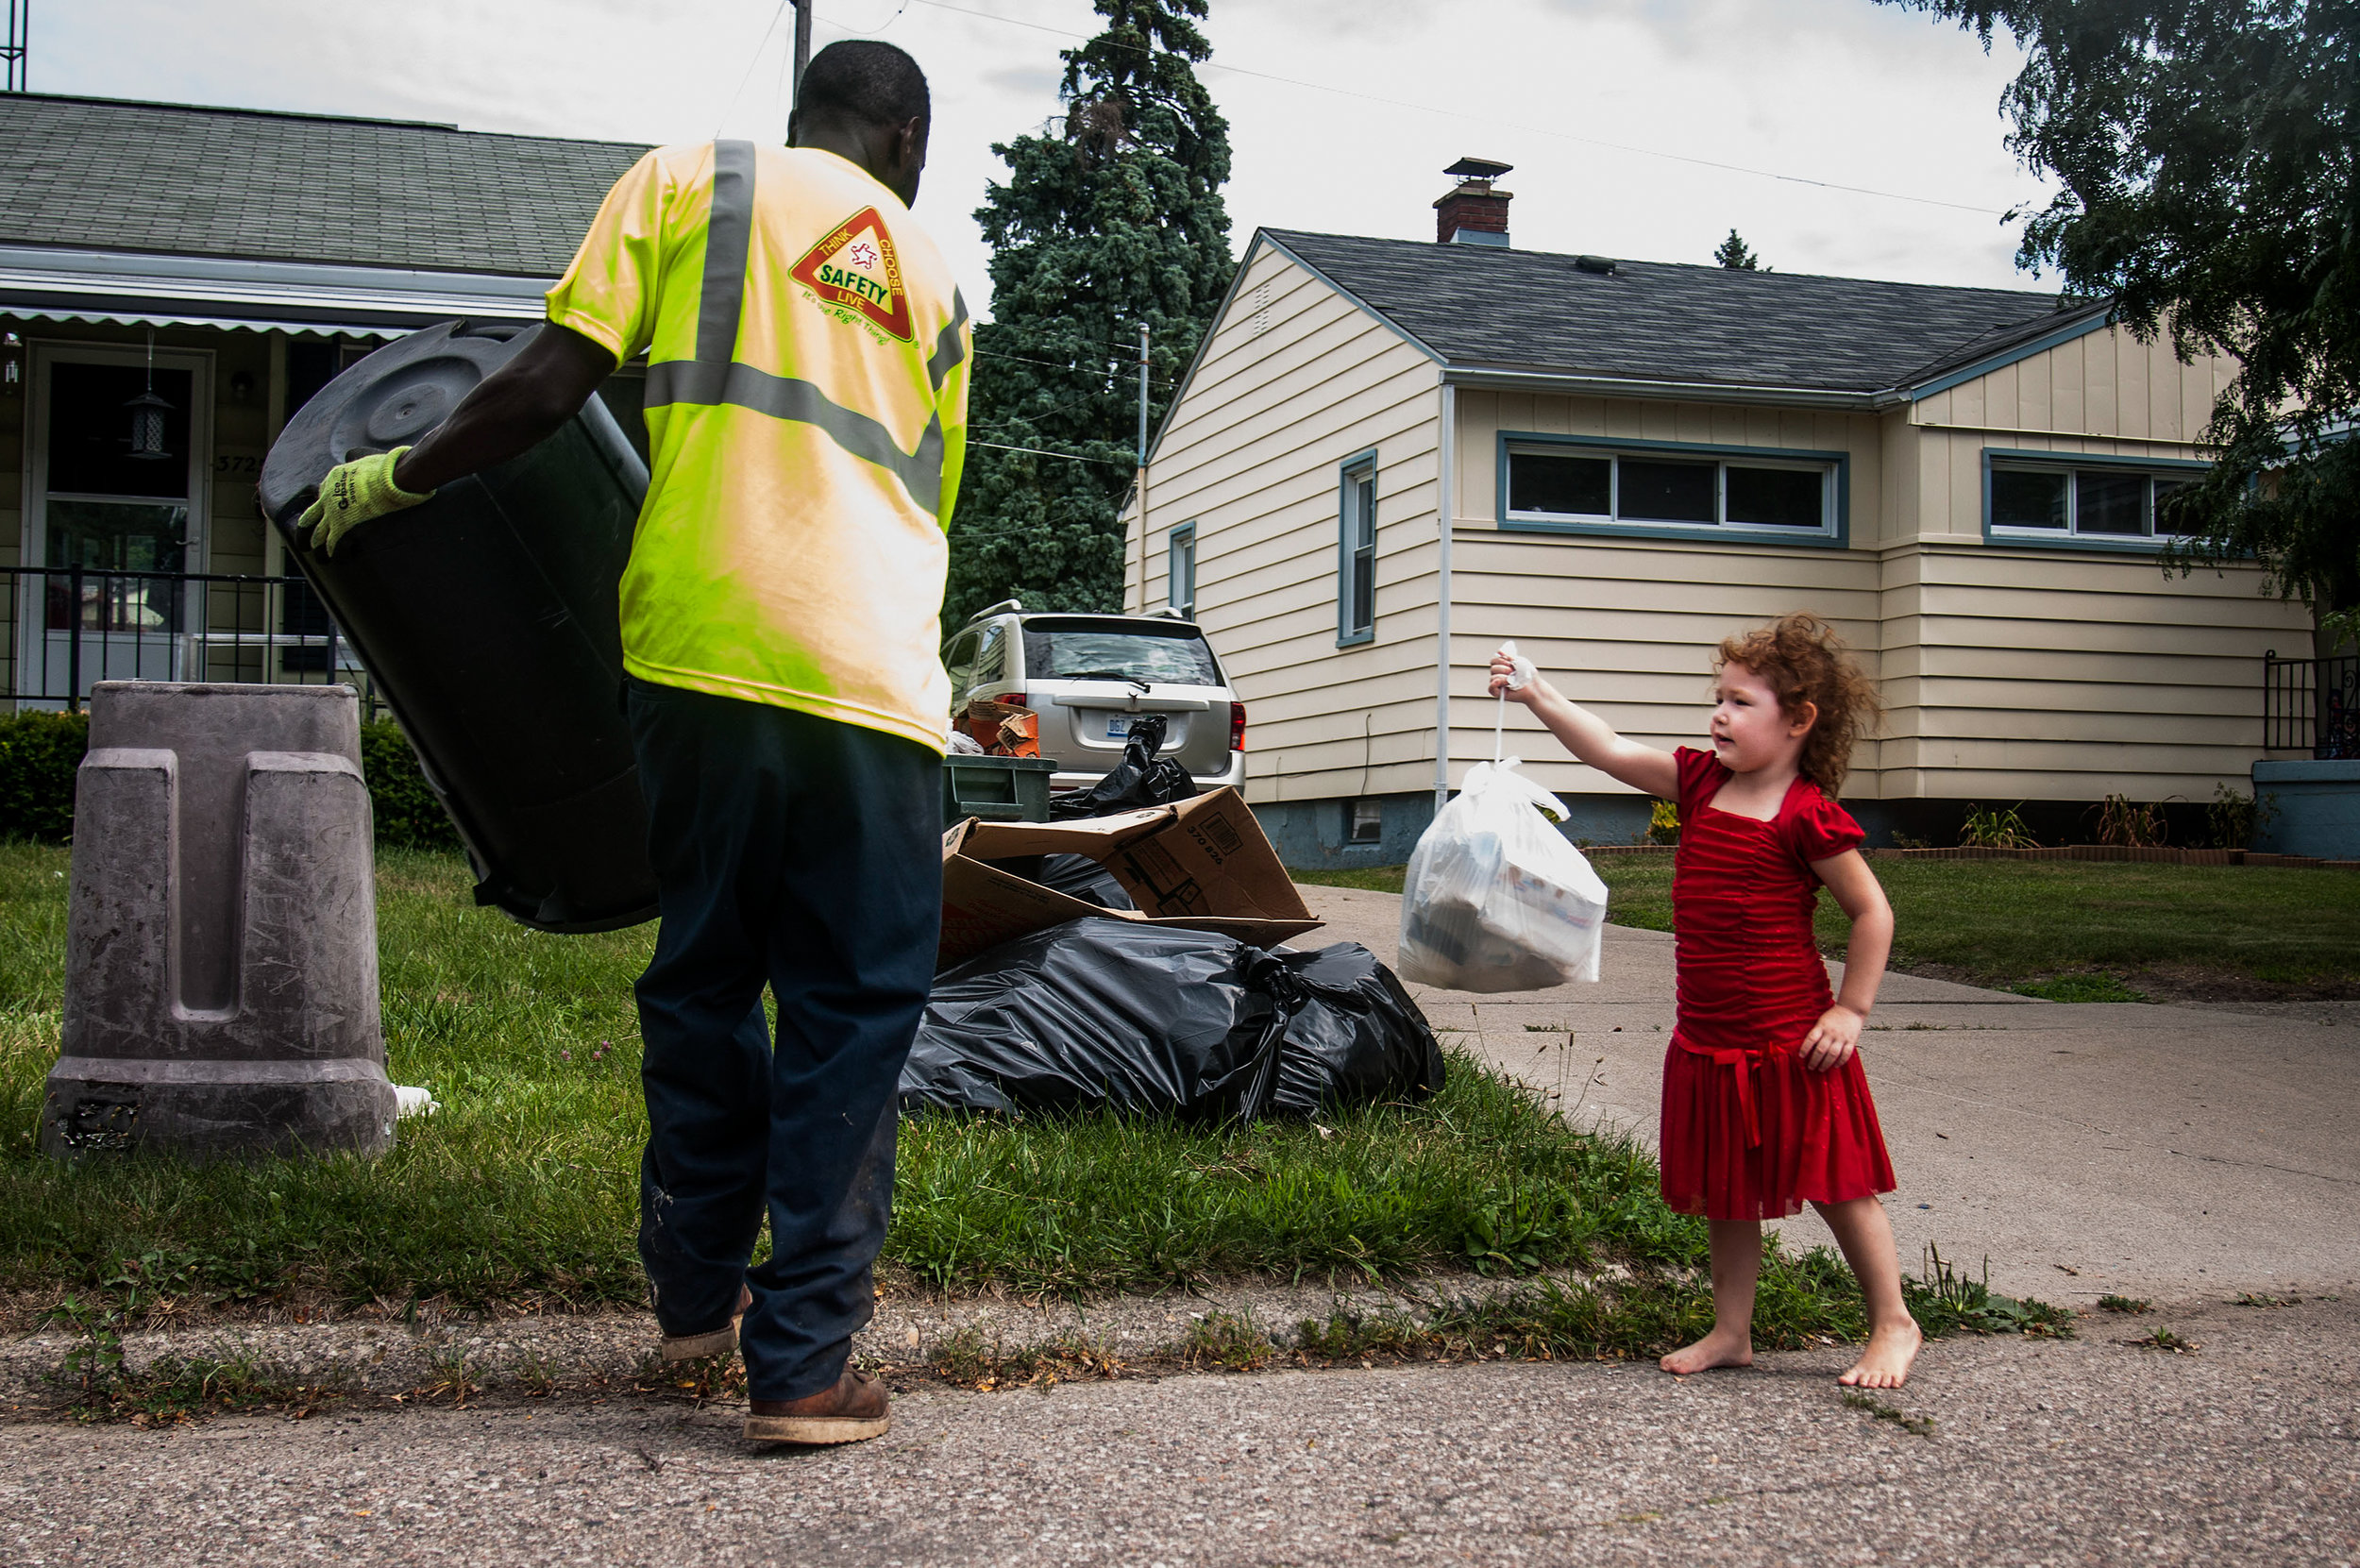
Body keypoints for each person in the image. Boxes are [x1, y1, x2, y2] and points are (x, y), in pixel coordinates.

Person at [295, 40, 970, 1444]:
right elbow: (932, 502)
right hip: (872, 685)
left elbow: (546, 388)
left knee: (707, 971)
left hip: (701, 652)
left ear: (806, 120)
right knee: (850, 1010)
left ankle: (690, 1299)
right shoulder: (939, 278)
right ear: (905, 140)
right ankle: (801, 1366)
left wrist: (396, 473)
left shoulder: (692, 184)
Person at [1489, 615, 1921, 1388]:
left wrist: (1849, 1011)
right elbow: (1610, 749)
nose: (1719, 715)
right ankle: (1733, 1329)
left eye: (1740, 702)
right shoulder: (1700, 783)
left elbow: (1873, 912)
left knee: (1838, 1185)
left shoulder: (1805, 814)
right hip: (1710, 1034)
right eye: (1717, 699)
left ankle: (1894, 1320)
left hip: (1792, 1040)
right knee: (1729, 1191)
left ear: (1797, 720)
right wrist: (1536, 691)